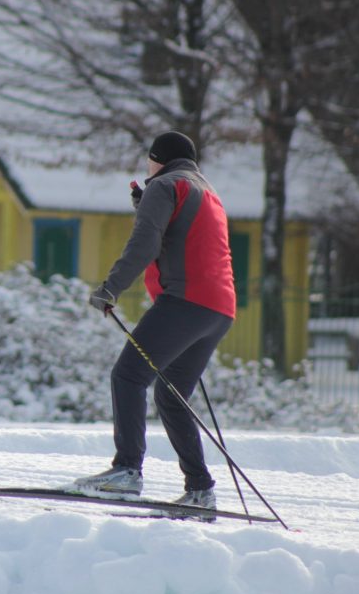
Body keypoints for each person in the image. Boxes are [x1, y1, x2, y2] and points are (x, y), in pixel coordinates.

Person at [73, 131, 236, 516]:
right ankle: (200, 488)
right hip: (219, 309)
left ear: (157, 159)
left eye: (149, 160)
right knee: (171, 394)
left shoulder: (164, 185)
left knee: (128, 375)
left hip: (184, 301)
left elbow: (144, 244)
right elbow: (182, 240)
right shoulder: (206, 191)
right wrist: (146, 207)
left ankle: (126, 471)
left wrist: (110, 288)